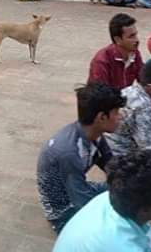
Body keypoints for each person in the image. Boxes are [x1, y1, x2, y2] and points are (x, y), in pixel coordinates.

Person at [37, 83, 124, 233]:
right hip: (64, 210)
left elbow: (111, 164)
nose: (120, 117)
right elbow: (82, 202)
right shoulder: (69, 152)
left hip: (79, 189)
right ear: (102, 117)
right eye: (116, 112)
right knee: (118, 233)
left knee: (131, 191)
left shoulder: (93, 134)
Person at [89, 13, 144, 90]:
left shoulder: (134, 53)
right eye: (131, 36)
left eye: (136, 35)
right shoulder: (102, 61)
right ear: (117, 40)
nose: (137, 40)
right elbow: (100, 94)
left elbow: (144, 81)